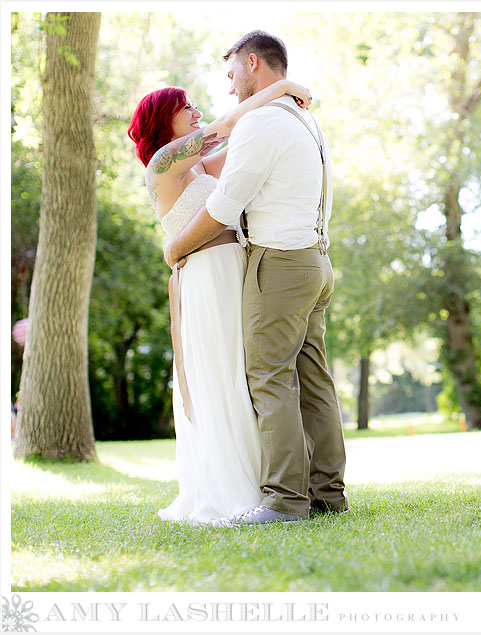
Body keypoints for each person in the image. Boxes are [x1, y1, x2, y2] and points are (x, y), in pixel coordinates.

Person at [163, 30, 349, 525]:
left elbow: (224, 207)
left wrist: (176, 247)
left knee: (269, 378)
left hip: (281, 265)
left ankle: (285, 502)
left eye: (231, 76)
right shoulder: (305, 121)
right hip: (317, 261)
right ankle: (328, 492)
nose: (228, 89)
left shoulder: (262, 122)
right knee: (313, 380)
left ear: (251, 64)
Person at [128, 70, 313, 526]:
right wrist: (282, 88)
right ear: (162, 121)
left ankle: (274, 483)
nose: (194, 112)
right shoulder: (164, 164)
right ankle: (238, 490)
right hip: (208, 278)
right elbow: (228, 125)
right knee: (223, 375)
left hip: (236, 270)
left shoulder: (197, 167)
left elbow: (248, 147)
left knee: (246, 371)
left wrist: (284, 117)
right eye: (184, 107)